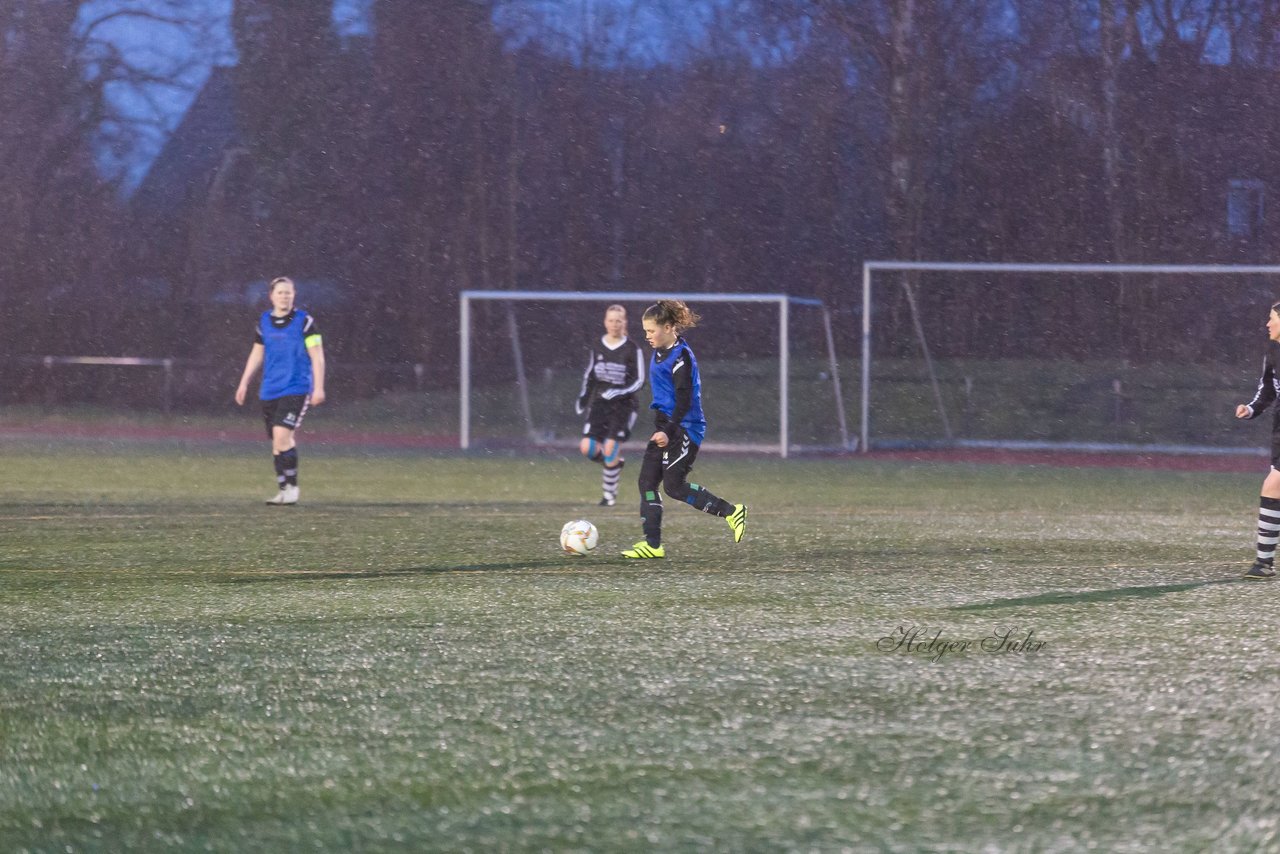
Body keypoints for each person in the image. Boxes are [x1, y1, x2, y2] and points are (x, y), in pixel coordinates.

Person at [622, 299, 747, 558]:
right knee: (646, 481)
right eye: (645, 331)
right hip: (667, 426)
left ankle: (732, 512)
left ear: (668, 327)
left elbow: (684, 400)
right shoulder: (659, 350)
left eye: (651, 331)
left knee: (674, 487)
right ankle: (653, 546)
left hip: (685, 428)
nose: (647, 336)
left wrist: (668, 430)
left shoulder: (682, 357)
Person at [235, 276, 326, 505]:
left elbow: (317, 356)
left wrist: (319, 387)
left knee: (282, 435)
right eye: (280, 292)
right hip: (270, 388)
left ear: (294, 295)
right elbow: (257, 353)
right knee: (277, 443)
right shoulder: (264, 321)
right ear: (271, 296)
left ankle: (293, 488)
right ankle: (283, 488)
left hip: (296, 386)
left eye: (288, 292)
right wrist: (244, 382)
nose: (285, 296)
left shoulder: (305, 321)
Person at [575, 304, 645, 506]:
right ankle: (613, 464)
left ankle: (608, 496)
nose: (615, 324)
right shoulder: (597, 345)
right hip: (599, 405)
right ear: (605, 322)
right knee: (587, 448)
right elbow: (590, 375)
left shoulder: (632, 348)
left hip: (624, 406)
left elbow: (639, 380)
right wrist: (583, 398)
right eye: (611, 320)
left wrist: (619, 391)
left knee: (611, 447)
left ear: (624, 323)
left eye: (619, 321)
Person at [1236, 301, 1280, 579]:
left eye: (1272, 317)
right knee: (1274, 486)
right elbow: (1267, 389)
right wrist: (1251, 409)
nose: (1267, 324)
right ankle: (1264, 563)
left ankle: (1264, 563)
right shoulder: (1273, 351)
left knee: (1273, 485)